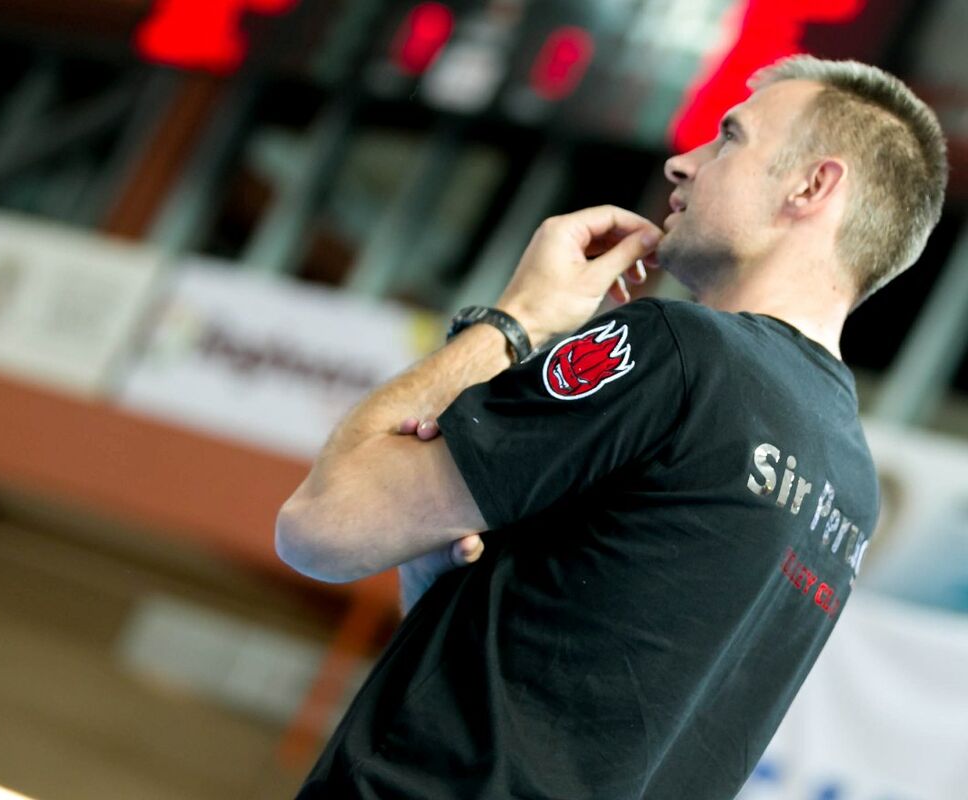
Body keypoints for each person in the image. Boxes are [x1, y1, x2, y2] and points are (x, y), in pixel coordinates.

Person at [275, 55, 948, 799]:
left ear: (812, 186)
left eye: (729, 137)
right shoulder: (850, 481)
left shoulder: (678, 351)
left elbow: (321, 527)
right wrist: (432, 560)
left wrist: (518, 318)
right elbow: (532, 686)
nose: (682, 163)